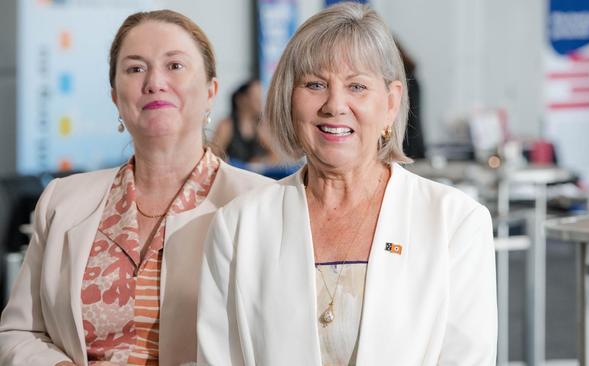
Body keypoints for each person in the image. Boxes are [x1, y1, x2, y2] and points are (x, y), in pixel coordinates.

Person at [197, 3, 497, 365]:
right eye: (315, 84)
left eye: (357, 86)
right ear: (290, 100)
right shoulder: (237, 226)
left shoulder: (455, 223)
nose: (335, 105)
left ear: (390, 103)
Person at [0, 10, 270, 366]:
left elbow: (277, 343)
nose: (155, 82)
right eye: (135, 68)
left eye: (174, 66)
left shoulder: (262, 204)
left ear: (210, 91)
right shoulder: (62, 201)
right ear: (115, 96)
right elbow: (19, 333)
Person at [211, 79, 276, 163]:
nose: (260, 100)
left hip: (255, 174)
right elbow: (213, 157)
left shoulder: (262, 127)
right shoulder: (227, 126)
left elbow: (276, 158)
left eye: (261, 96)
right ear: (241, 99)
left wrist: (260, 161)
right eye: (256, 96)